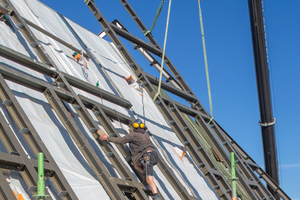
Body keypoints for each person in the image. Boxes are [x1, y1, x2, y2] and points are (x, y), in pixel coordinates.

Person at [98, 119, 161, 200]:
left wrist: (107, 138)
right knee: (136, 165)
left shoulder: (133, 135)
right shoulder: (145, 135)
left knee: (149, 179)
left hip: (147, 157)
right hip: (153, 157)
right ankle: (146, 175)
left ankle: (156, 197)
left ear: (134, 127)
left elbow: (121, 140)